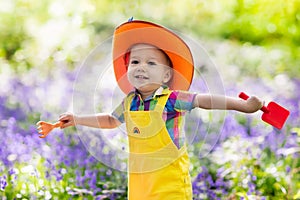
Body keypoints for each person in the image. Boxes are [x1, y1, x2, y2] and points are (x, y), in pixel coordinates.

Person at [58, 20, 263, 200]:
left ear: (166, 76)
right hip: (140, 185)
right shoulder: (130, 102)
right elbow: (111, 120)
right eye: (135, 62)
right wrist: (77, 119)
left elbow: (204, 100)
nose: (141, 67)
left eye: (151, 63)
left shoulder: (171, 99)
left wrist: (243, 105)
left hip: (169, 185)